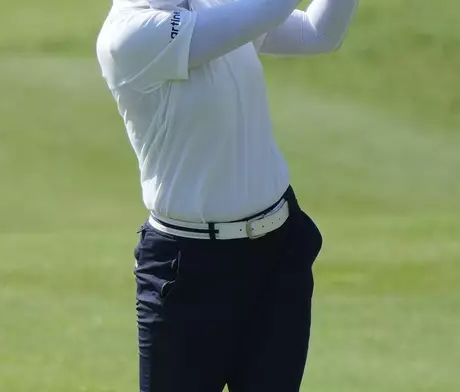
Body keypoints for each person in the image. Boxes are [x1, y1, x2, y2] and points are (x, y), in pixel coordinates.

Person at [96, 0, 358, 390]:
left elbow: (318, 34)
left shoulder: (213, 5)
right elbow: (261, 14)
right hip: (187, 272)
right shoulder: (129, 35)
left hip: (278, 256)